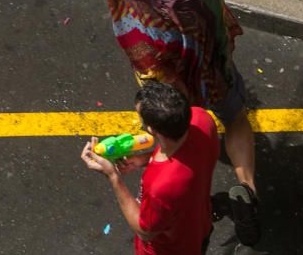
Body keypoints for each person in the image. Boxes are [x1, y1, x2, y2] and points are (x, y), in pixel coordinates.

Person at [62, 0, 260, 246]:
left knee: (168, 122)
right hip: (211, 61)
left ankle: (162, 148)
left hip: (172, 74)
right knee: (236, 118)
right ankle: (249, 191)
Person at [81, 80, 219, 254]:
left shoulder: (162, 186)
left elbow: (145, 230)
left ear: (152, 130)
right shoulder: (202, 119)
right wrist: (145, 159)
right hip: (200, 227)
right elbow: (185, 153)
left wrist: (113, 176)